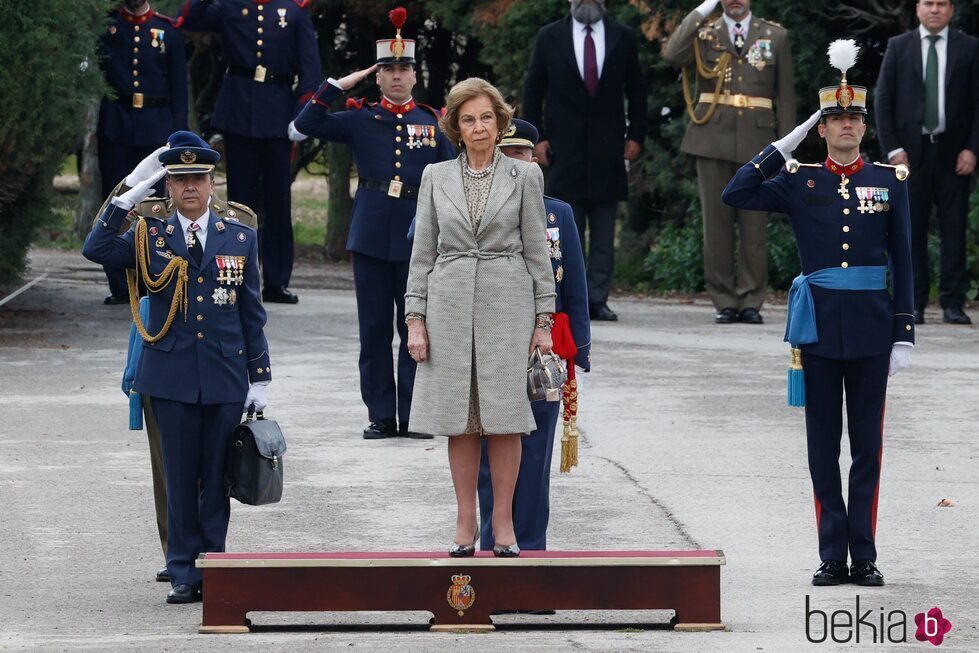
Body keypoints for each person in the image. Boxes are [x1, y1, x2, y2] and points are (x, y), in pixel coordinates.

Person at [722, 41, 914, 586]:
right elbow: (737, 193)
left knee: (868, 450)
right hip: (820, 331)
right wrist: (785, 142)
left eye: (854, 118)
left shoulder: (888, 182)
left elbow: (902, 258)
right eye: (835, 119)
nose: (847, 127)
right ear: (823, 128)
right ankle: (832, 553)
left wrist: (904, 332)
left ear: (864, 127)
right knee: (822, 448)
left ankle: (865, 553)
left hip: (874, 330)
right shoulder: (802, 179)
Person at [82, 131, 272, 603]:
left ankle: (216, 565)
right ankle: (183, 570)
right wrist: (130, 193)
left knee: (217, 479)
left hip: (225, 375)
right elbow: (96, 248)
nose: (190, 187)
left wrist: (260, 377)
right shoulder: (150, 234)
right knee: (181, 478)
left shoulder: (240, 234)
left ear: (212, 183)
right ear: (167, 186)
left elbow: (252, 311)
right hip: (169, 376)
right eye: (179, 179)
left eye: (198, 178)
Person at [405, 79, 556, 558]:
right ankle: (465, 521)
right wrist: (415, 318)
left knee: (506, 418)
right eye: (468, 119)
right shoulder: (434, 177)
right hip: (448, 304)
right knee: (461, 420)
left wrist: (543, 321)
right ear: (455, 125)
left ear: (501, 121)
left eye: (486, 118)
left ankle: (504, 523)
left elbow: (538, 252)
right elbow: (422, 252)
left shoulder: (526, 177)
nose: (478, 128)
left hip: (507, 302)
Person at [291, 8, 455, 440]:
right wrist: (339, 84)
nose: (397, 76)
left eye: (404, 69)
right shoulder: (361, 118)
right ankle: (382, 414)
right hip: (369, 232)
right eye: (388, 70)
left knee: (416, 326)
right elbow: (304, 125)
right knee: (375, 330)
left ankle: (415, 413)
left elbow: (452, 180)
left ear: (414, 76)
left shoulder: (433, 124)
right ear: (377, 77)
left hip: (418, 235)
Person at [476, 119, 591, 552]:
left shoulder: (557, 212)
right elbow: (423, 236)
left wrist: (578, 349)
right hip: (488, 340)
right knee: (490, 457)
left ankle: (532, 555)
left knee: (537, 454)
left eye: (523, 153)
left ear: (535, 159)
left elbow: (575, 284)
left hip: (542, 348)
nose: (516, 161)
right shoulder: (468, 203)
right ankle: (491, 551)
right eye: (506, 153)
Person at [178, 0, 320, 304]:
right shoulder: (230, 7)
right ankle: (237, 273)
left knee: (278, 200)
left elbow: (310, 71)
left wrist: (302, 115)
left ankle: (277, 282)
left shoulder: (293, 11)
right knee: (239, 202)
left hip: (280, 113)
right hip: (239, 111)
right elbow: (190, 18)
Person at [664, 0, 795, 324]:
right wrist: (702, 9)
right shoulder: (704, 31)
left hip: (758, 143)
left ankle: (751, 300)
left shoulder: (775, 36)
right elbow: (672, 53)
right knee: (716, 226)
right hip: (712, 139)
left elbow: (786, 96)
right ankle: (724, 300)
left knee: (754, 229)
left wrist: (787, 147)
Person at [522, 0, 647, 322]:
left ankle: (597, 299)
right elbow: (533, 89)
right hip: (564, 149)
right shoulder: (549, 36)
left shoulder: (623, 36)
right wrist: (537, 138)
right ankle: (565, 297)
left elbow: (636, 89)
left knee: (604, 231)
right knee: (564, 230)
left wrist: (637, 135)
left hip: (609, 148)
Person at [874, 0, 978, 325]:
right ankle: (913, 303)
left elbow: (978, 102)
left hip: (954, 153)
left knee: (954, 230)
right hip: (909, 155)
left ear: (951, 10)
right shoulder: (898, 47)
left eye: (942, 4)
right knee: (909, 231)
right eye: (928, 3)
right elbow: (883, 100)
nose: (935, 9)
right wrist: (892, 151)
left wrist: (973, 149)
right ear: (918, 8)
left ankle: (952, 302)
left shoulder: (970, 47)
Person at [97, 0, 187, 305]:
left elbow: (179, 88)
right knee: (117, 200)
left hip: (156, 127)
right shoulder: (107, 26)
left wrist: (178, 138)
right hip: (116, 125)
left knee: (157, 207)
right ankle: (120, 284)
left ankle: (155, 278)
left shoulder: (166, 30)